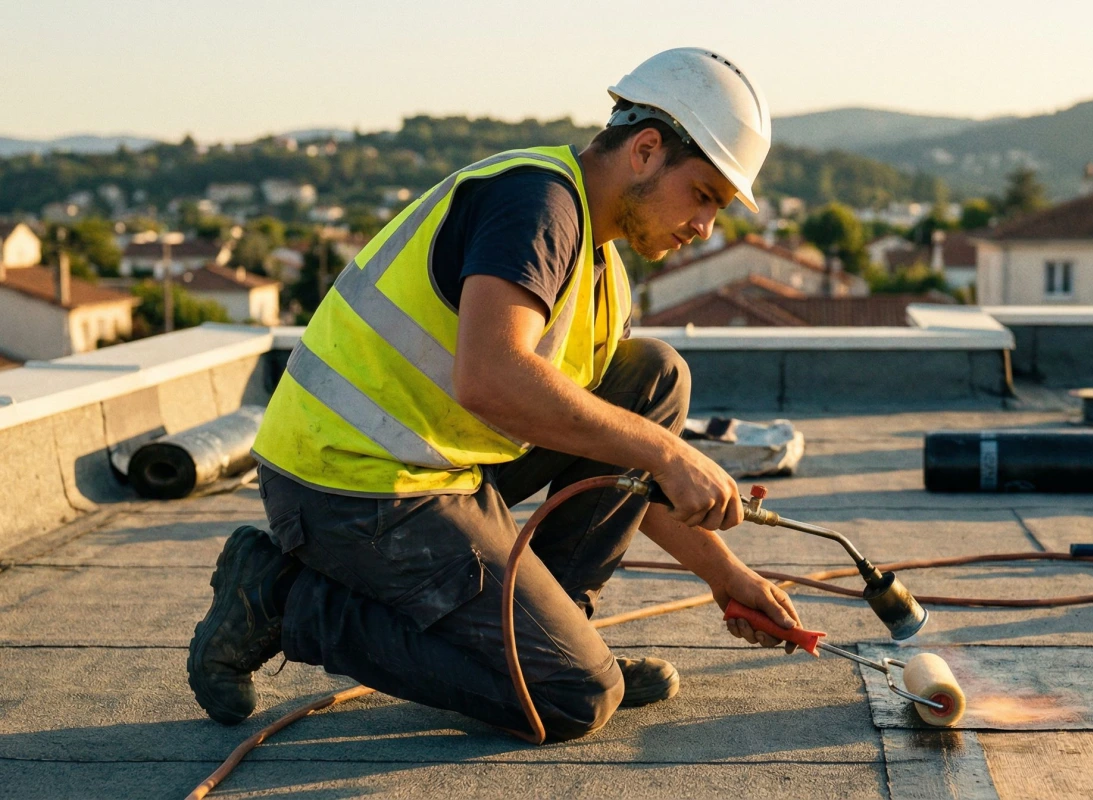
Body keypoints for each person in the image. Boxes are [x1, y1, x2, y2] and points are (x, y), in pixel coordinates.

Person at [186, 48, 802, 742]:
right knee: (574, 697)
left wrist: (728, 578)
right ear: (648, 150)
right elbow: (491, 377)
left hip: (434, 467)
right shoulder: (536, 204)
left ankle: (558, 630)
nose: (705, 227)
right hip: (348, 485)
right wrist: (666, 453)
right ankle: (283, 599)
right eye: (703, 196)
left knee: (651, 378)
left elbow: (620, 472)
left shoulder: (601, 264)